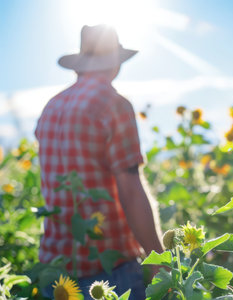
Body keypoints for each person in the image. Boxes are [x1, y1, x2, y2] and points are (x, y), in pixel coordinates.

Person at [35, 24, 164, 299]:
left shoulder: (51, 107)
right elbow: (130, 190)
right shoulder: (113, 104)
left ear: (79, 66)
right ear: (115, 65)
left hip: (55, 269)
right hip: (108, 267)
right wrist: (158, 261)